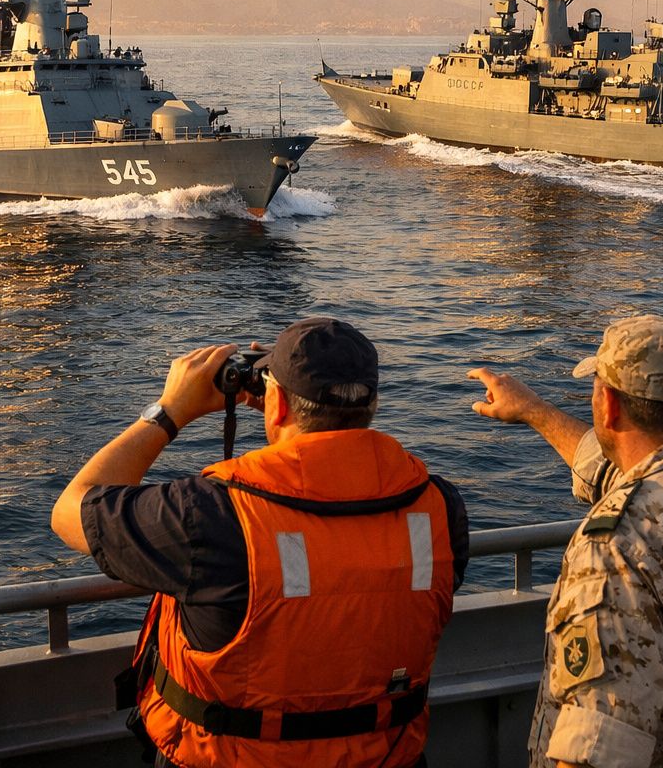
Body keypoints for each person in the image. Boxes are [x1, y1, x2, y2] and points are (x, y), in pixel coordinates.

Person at [51, 317, 468, 767]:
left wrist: (168, 411)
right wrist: (285, 415)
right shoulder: (440, 509)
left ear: (279, 404)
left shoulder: (212, 517)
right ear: (371, 402)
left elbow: (70, 512)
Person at [469, 314, 663, 768]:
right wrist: (533, 411)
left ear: (608, 405)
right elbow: (637, 481)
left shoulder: (618, 545)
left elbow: (597, 752)